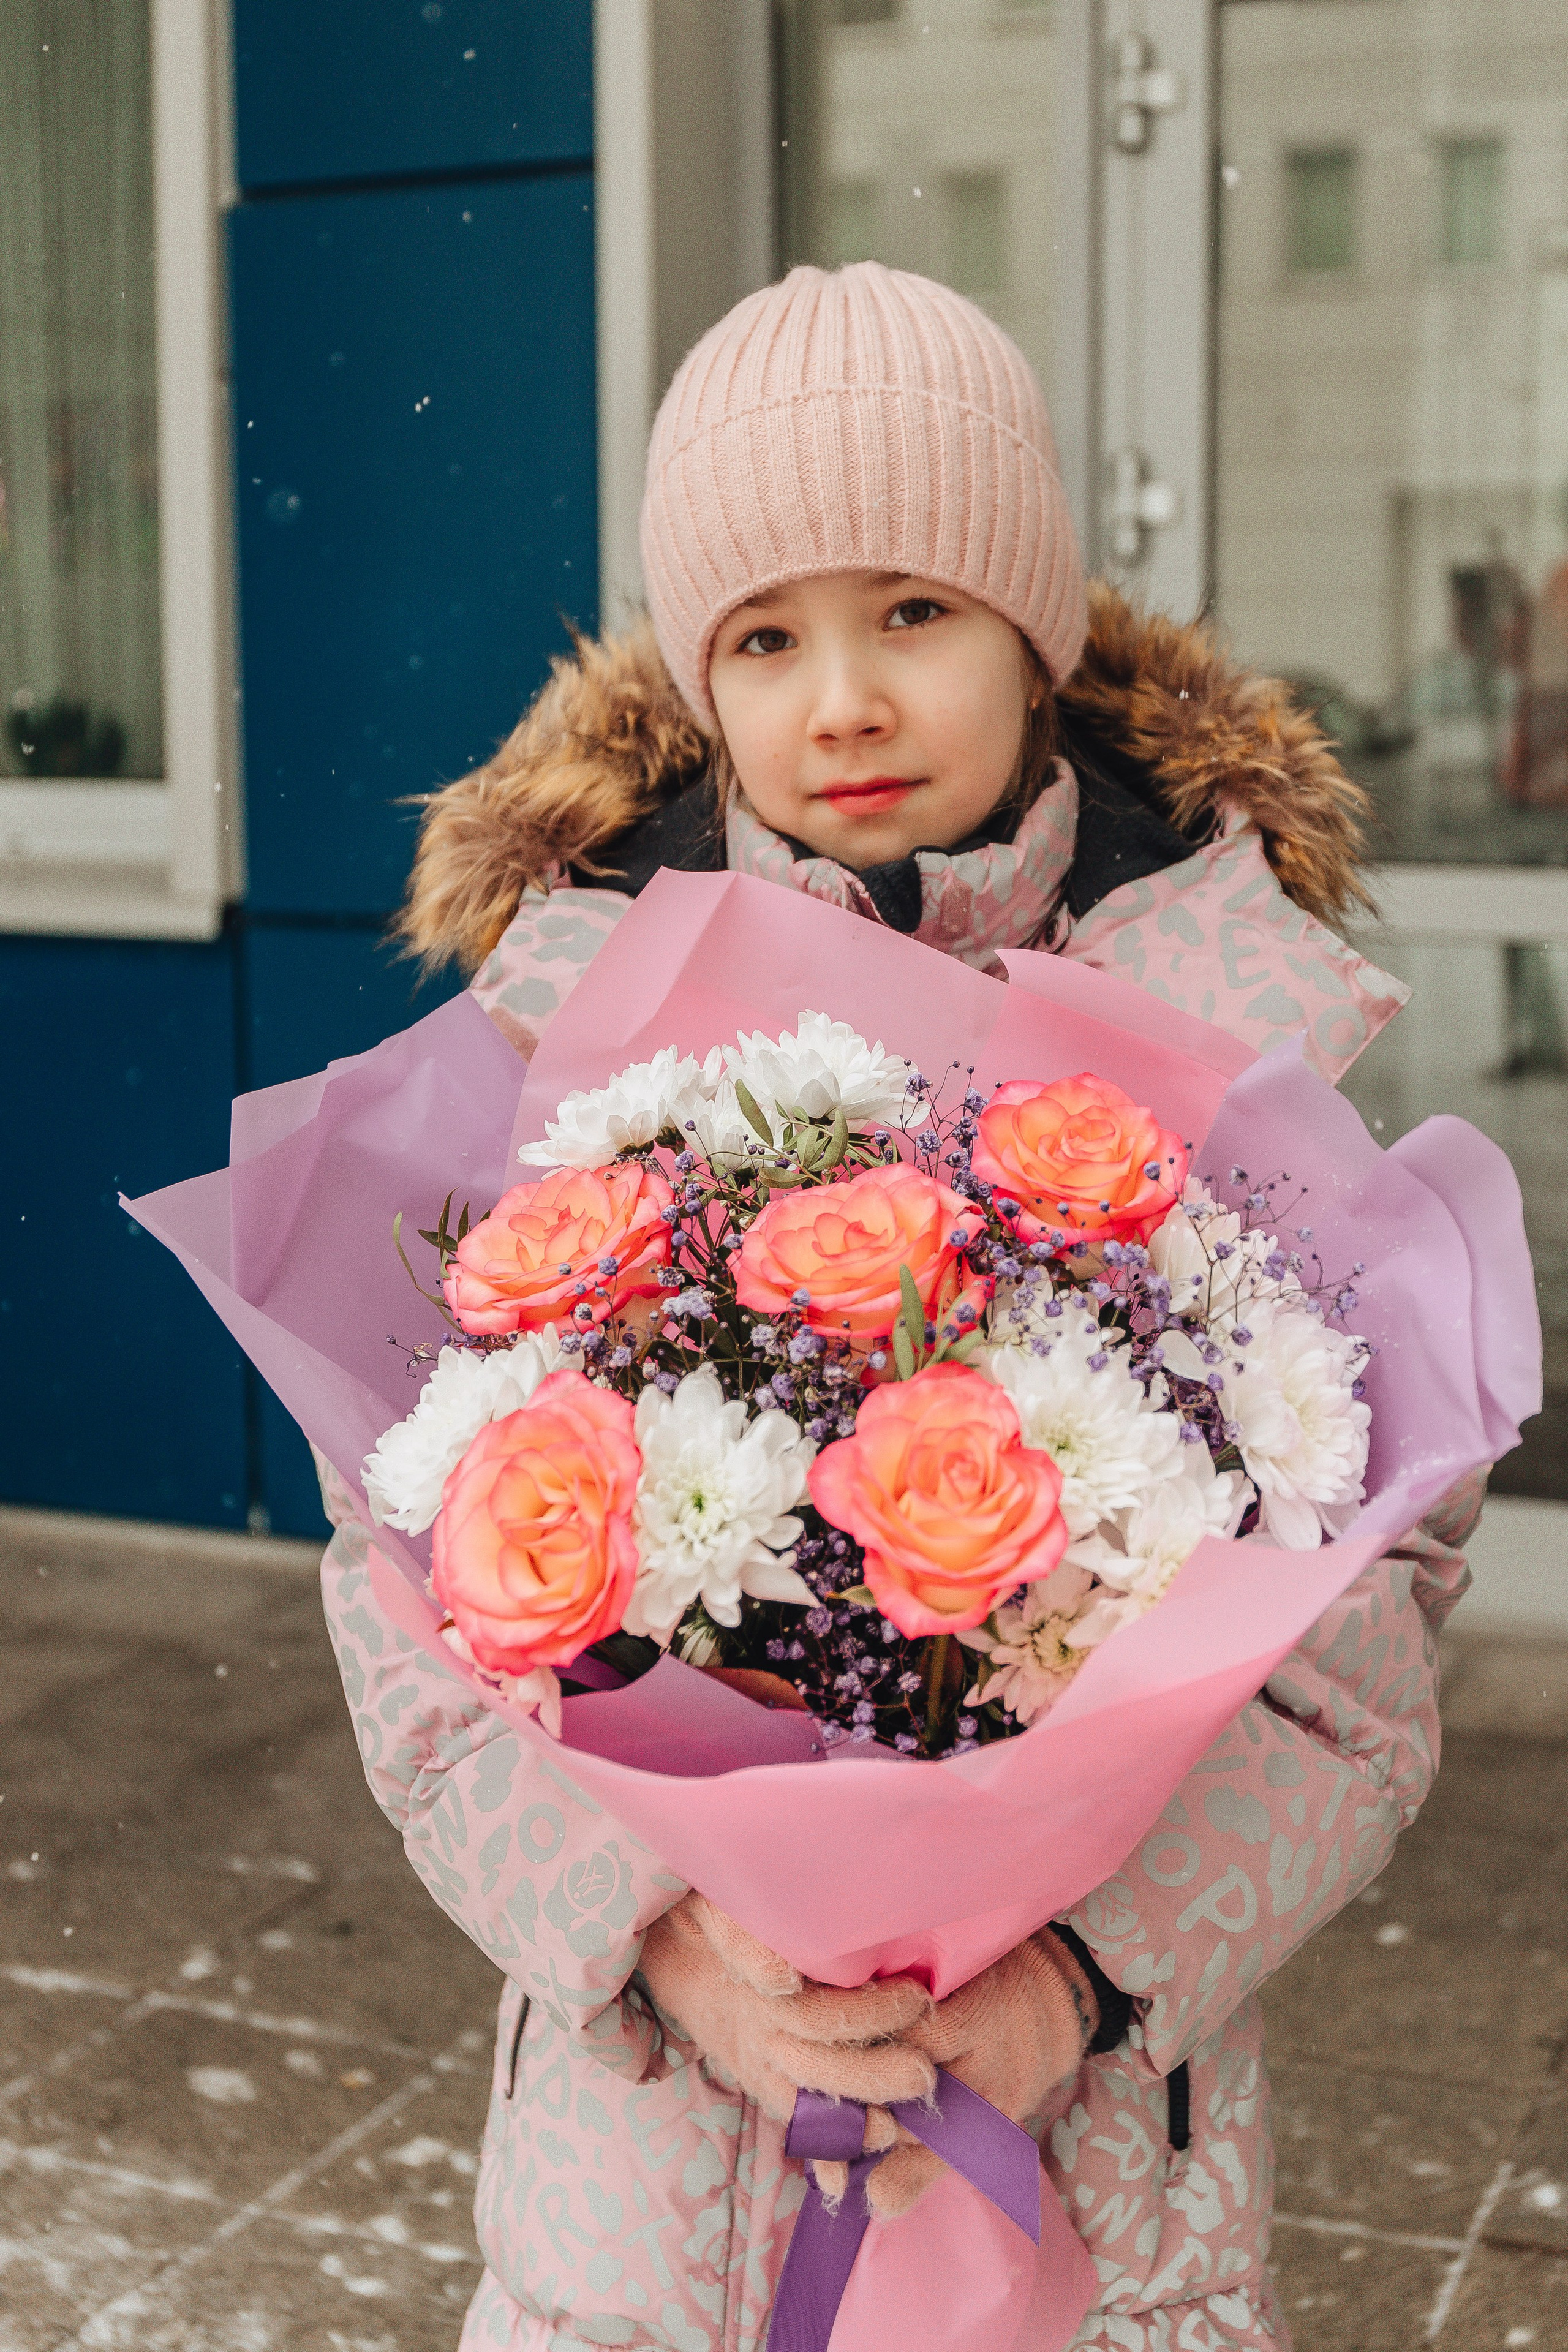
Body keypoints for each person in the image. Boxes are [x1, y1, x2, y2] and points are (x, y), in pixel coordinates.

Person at [318, 264, 1483, 2351]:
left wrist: (1088, 1975)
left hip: (1104, 2164)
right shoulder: (569, 1041)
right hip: (642, 2191)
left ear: (1032, 637)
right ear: (706, 675)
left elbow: (1360, 1648)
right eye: (766, 638)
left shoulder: (1227, 1043)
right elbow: (406, 1609)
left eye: (915, 613)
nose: (842, 700)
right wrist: (656, 1932)